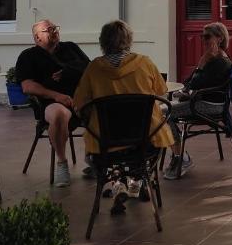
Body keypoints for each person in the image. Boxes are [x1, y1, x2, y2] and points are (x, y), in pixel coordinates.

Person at [73, 20, 174, 214]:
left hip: (107, 142)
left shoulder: (94, 69)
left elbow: (80, 102)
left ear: (103, 41)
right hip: (146, 140)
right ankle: (136, 181)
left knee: (111, 154)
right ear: (129, 40)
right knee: (145, 147)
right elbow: (161, 91)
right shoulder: (144, 63)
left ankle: (120, 184)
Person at [15, 19, 90, 187]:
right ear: (37, 38)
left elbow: (90, 68)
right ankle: (62, 163)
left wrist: (68, 73)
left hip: (81, 98)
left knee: (105, 108)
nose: (54, 31)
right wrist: (56, 95)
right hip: (51, 102)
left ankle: (93, 157)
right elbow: (27, 86)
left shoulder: (71, 48)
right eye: (49, 29)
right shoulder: (28, 56)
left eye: (55, 28)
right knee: (58, 114)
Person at [163, 21, 232, 180]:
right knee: (165, 110)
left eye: (207, 37)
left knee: (163, 113)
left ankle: (181, 157)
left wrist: (201, 64)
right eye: (202, 37)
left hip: (209, 106)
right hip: (200, 101)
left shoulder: (219, 61)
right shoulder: (212, 58)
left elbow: (195, 84)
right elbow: (189, 82)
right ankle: (178, 154)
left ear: (220, 38)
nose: (203, 40)